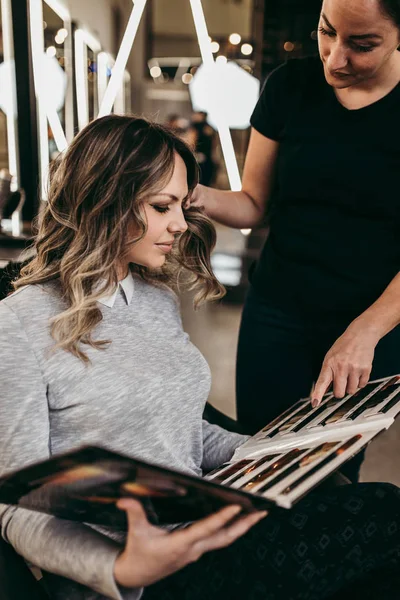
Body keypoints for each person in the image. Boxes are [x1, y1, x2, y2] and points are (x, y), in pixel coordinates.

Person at [0, 115, 399, 600]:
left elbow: (185, 431)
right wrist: (121, 568)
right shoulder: (19, 323)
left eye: (181, 206)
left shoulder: (151, 296)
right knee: (381, 518)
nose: (180, 225)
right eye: (161, 206)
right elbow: (16, 508)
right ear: (105, 201)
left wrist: (280, 455)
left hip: (207, 526)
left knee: (377, 513)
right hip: (137, 570)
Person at [188, 0, 400, 475]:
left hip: (373, 324)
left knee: (330, 475)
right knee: (259, 460)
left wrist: (363, 333)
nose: (335, 58)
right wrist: (188, 194)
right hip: (277, 312)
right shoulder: (289, 86)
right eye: (327, 33)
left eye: (361, 45)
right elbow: (253, 204)